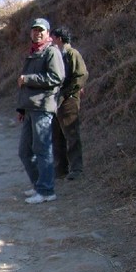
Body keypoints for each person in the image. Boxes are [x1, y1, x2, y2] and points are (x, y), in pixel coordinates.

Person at [16, 18, 65, 204]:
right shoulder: (34, 52)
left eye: (41, 30)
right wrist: (21, 108)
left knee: (42, 150)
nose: (37, 33)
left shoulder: (51, 52)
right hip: (30, 108)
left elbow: (57, 77)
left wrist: (29, 79)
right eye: (34, 30)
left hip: (43, 107)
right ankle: (39, 186)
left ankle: (46, 191)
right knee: (25, 152)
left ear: (47, 33)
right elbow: (25, 87)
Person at [51, 26, 88, 180]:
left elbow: (81, 75)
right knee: (57, 136)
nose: (51, 41)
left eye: (53, 38)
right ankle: (60, 169)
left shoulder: (72, 53)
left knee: (71, 134)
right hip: (56, 100)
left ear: (59, 38)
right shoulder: (57, 55)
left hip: (68, 99)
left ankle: (76, 169)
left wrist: (67, 93)